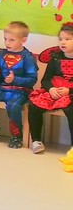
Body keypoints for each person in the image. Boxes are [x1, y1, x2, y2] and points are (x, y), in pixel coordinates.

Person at [0, 20, 38, 149]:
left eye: (11, 40)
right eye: (5, 39)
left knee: (13, 105)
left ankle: (16, 135)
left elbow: (32, 79)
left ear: (23, 40)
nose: (7, 43)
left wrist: (15, 80)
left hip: (20, 91)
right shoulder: (1, 55)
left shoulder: (28, 57)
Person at [27, 22, 73, 154]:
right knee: (34, 105)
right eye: (61, 39)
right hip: (55, 91)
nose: (63, 42)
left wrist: (68, 91)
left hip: (70, 93)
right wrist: (51, 89)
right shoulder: (55, 58)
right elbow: (46, 80)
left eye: (67, 39)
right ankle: (36, 141)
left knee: (71, 109)